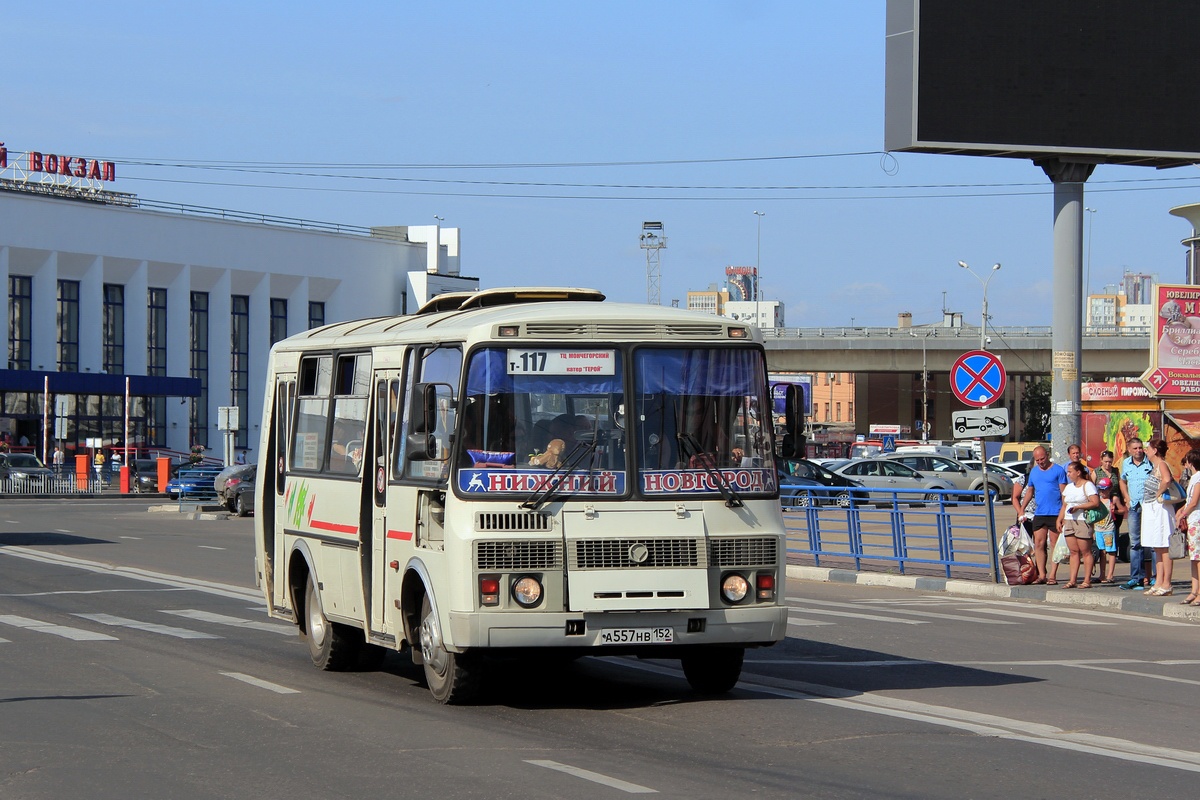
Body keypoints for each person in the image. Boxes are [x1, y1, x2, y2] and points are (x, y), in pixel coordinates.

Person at [1019, 446, 1068, 584]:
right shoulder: (1034, 472)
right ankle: (1041, 575)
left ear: (1047, 455)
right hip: (1039, 513)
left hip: (1055, 512)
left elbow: (1064, 493)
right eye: (1037, 460)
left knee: (1054, 544)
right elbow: (1030, 491)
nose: (1040, 462)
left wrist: (1063, 514)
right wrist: (1022, 509)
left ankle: (1052, 575)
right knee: (1038, 544)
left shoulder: (1058, 470)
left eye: (1042, 458)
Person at [1056, 461, 1101, 588]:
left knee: (1085, 551)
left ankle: (1087, 580)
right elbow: (1065, 505)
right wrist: (1060, 519)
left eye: (1070, 472)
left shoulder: (1088, 485)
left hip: (1082, 520)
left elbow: (1095, 502)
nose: (1068, 474)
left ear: (1078, 472)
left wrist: (1079, 507)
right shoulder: (1069, 487)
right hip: (1069, 520)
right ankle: (1072, 580)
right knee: (1073, 551)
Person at [1119, 437, 1156, 590]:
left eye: (1140, 448)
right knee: (1135, 543)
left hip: (1149, 505)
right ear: (1129, 450)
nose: (1138, 451)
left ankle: (1156, 576)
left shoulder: (1150, 462)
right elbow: (1122, 481)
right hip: (1134, 506)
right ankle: (1137, 578)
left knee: (1153, 543)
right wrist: (1126, 497)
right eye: (1135, 448)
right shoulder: (1126, 464)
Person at [1141, 438, 1175, 596]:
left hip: (1160, 509)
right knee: (1157, 546)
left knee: (1164, 545)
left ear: (1155, 450)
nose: (1145, 451)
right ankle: (1159, 581)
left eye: (1148, 448)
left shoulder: (1161, 464)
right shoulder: (1154, 466)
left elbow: (1167, 479)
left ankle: (1166, 583)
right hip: (1152, 509)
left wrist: (1158, 493)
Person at [1173, 449, 1200, 605]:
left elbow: (1194, 502)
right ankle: (1194, 590)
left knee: (1198, 557)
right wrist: (1182, 511)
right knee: (1194, 558)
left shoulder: (1198, 479)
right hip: (1192, 519)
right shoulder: (1194, 478)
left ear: (1190, 462)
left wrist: (1183, 514)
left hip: (1197, 520)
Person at [1093, 477, 1124, 584]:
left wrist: (1114, 510)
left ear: (1110, 489)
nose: (1102, 492)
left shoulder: (1113, 499)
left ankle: (1110, 574)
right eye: (1100, 489)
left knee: (1111, 551)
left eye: (1105, 489)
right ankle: (1102, 575)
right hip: (1098, 529)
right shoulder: (1097, 499)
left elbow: (1123, 510)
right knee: (1102, 552)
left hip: (1109, 529)